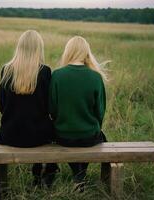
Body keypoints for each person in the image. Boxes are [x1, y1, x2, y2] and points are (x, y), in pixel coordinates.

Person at [0, 30, 58, 187]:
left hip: (9, 134)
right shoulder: (44, 71)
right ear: (39, 48)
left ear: (19, 47)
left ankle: (40, 173)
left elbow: (1, 105)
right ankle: (43, 173)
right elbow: (50, 107)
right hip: (38, 135)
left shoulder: (6, 70)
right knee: (52, 129)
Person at [49, 36, 108, 190]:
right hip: (89, 136)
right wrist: (93, 126)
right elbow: (100, 111)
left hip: (62, 136)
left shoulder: (57, 75)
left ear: (68, 51)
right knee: (100, 137)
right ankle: (80, 175)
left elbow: (52, 109)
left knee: (73, 139)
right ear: (86, 53)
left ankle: (78, 175)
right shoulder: (95, 77)